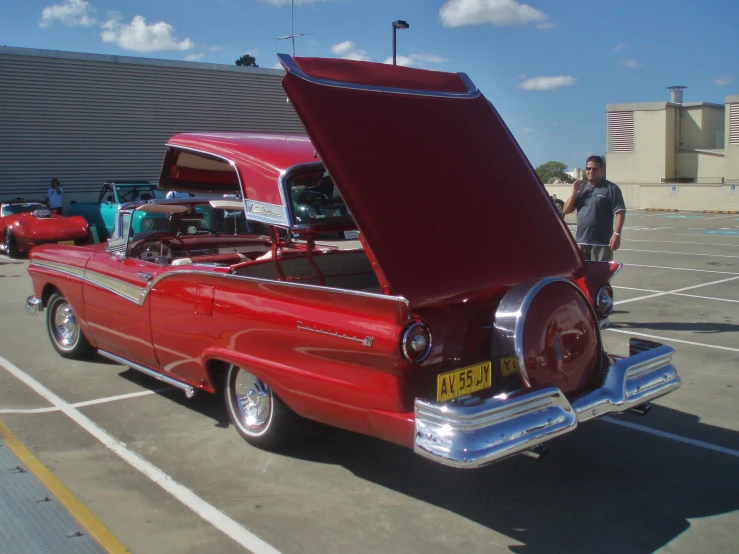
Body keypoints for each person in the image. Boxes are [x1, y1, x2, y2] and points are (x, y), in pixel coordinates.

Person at [563, 156, 625, 261]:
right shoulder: (582, 188)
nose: (591, 171)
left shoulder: (611, 188)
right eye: (588, 168)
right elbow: (566, 210)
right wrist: (574, 194)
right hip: (581, 242)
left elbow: (620, 212)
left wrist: (617, 234)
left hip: (601, 244)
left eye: (595, 169)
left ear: (602, 171)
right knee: (583, 276)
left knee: (600, 275)